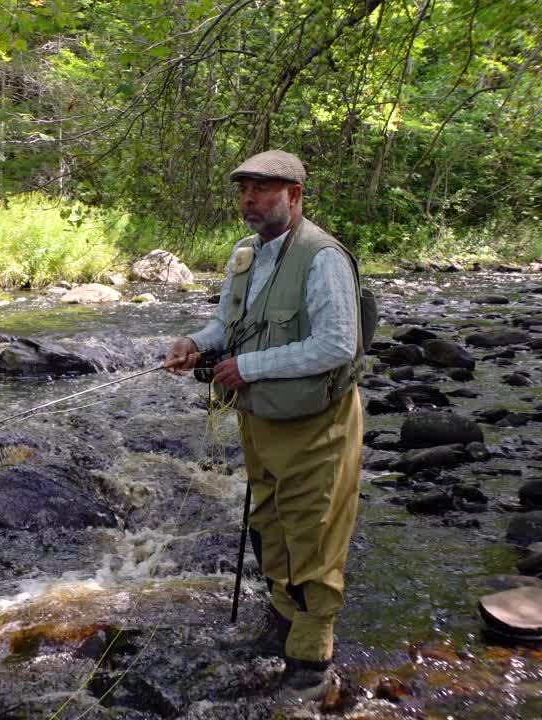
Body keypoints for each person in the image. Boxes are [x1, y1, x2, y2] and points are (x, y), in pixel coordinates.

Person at [164, 150, 364, 702]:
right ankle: (281, 629)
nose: (250, 200)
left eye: (264, 190)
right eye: (245, 189)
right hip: (260, 420)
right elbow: (227, 325)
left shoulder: (323, 257)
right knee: (270, 526)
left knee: (313, 536)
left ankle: (311, 665)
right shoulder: (245, 254)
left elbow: (336, 344)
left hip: (317, 426)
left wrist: (245, 367)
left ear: (295, 196)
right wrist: (194, 345)